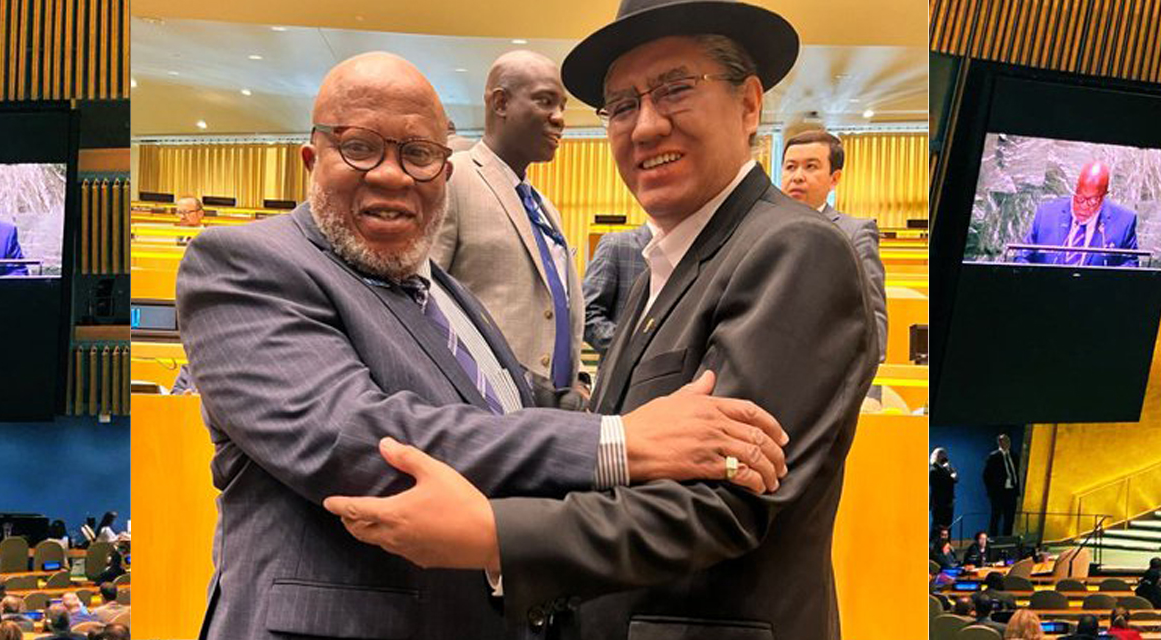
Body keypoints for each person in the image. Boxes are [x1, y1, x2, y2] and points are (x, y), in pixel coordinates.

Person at [175, 50, 790, 640]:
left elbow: (514, 402)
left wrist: (660, 416)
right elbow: (361, 436)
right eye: (360, 147)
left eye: (418, 154)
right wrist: (622, 441)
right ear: (312, 158)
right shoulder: (243, 265)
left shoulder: (436, 285)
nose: (392, 175)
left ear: (445, 172)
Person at [323, 1, 879, 637]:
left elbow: (725, 504)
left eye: (674, 90)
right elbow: (617, 438)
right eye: (621, 107)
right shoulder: (660, 268)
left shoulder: (793, 249)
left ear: (749, 104)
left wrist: (492, 534)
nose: (644, 128)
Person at [431, 50, 584, 392]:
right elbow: (423, 307)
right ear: (500, 103)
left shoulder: (544, 206)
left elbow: (555, 305)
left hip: (556, 412)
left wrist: (579, 380)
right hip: (484, 407)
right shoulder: (454, 179)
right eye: (545, 101)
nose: (559, 118)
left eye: (562, 105)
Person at [781, 129, 888, 360]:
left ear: (834, 178)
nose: (797, 176)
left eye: (810, 167)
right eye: (790, 167)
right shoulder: (760, 228)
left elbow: (873, 320)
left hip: (829, 370)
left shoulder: (856, 232)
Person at [1014, 161, 1139, 267]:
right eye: (1080, 198)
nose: (1084, 207)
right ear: (1075, 188)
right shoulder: (1047, 214)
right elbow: (1022, 255)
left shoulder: (1124, 223)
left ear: (1104, 196)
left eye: (1093, 200)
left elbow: (1130, 268)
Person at [581, 224, 652, 357]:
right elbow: (587, 313)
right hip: (623, 373)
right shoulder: (617, 245)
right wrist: (632, 351)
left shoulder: (695, 252)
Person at [985, 433, 1021, 536]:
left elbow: (1016, 472)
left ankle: (1007, 539)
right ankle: (993, 539)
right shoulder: (994, 457)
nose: (1007, 443)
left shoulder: (1014, 456)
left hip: (1011, 492)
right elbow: (986, 475)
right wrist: (991, 492)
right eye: (1004, 441)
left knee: (1009, 518)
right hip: (998, 493)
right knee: (996, 517)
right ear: (999, 443)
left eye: (1008, 441)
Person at [931, 446, 958, 531]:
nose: (945, 457)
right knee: (938, 526)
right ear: (937, 456)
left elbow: (955, 479)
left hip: (948, 502)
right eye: (942, 454)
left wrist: (952, 473)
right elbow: (942, 484)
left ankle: (946, 544)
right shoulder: (933, 469)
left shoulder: (946, 468)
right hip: (939, 503)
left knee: (948, 526)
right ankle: (934, 544)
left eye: (945, 454)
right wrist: (951, 477)